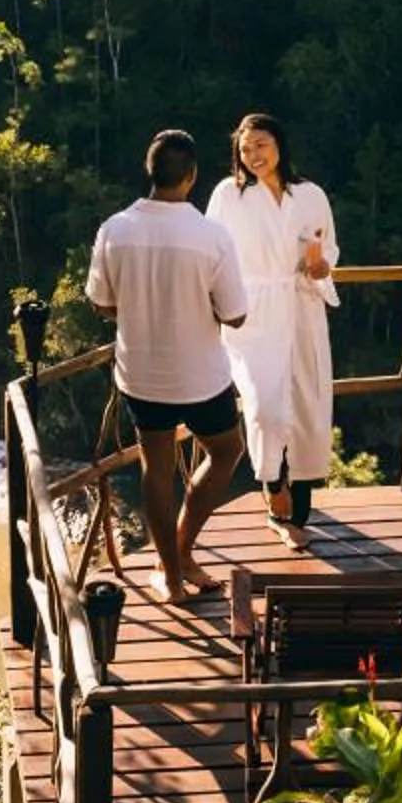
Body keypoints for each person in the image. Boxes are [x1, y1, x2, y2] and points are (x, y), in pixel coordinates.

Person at [84, 128, 250, 601]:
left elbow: (101, 302)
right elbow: (235, 313)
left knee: (156, 470)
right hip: (201, 377)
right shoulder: (211, 236)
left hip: (142, 374)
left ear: (150, 170)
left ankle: (173, 577)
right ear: (193, 176)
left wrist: (141, 306)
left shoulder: (115, 229)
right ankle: (179, 549)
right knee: (225, 452)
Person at [206, 112, 339, 546]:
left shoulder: (311, 194)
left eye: (260, 144)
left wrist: (321, 265)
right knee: (264, 407)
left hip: (301, 306)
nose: (253, 156)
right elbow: (211, 252)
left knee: (305, 404)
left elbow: (328, 247)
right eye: (245, 149)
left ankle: (297, 512)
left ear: (279, 144)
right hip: (253, 312)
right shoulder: (229, 195)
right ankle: (271, 487)